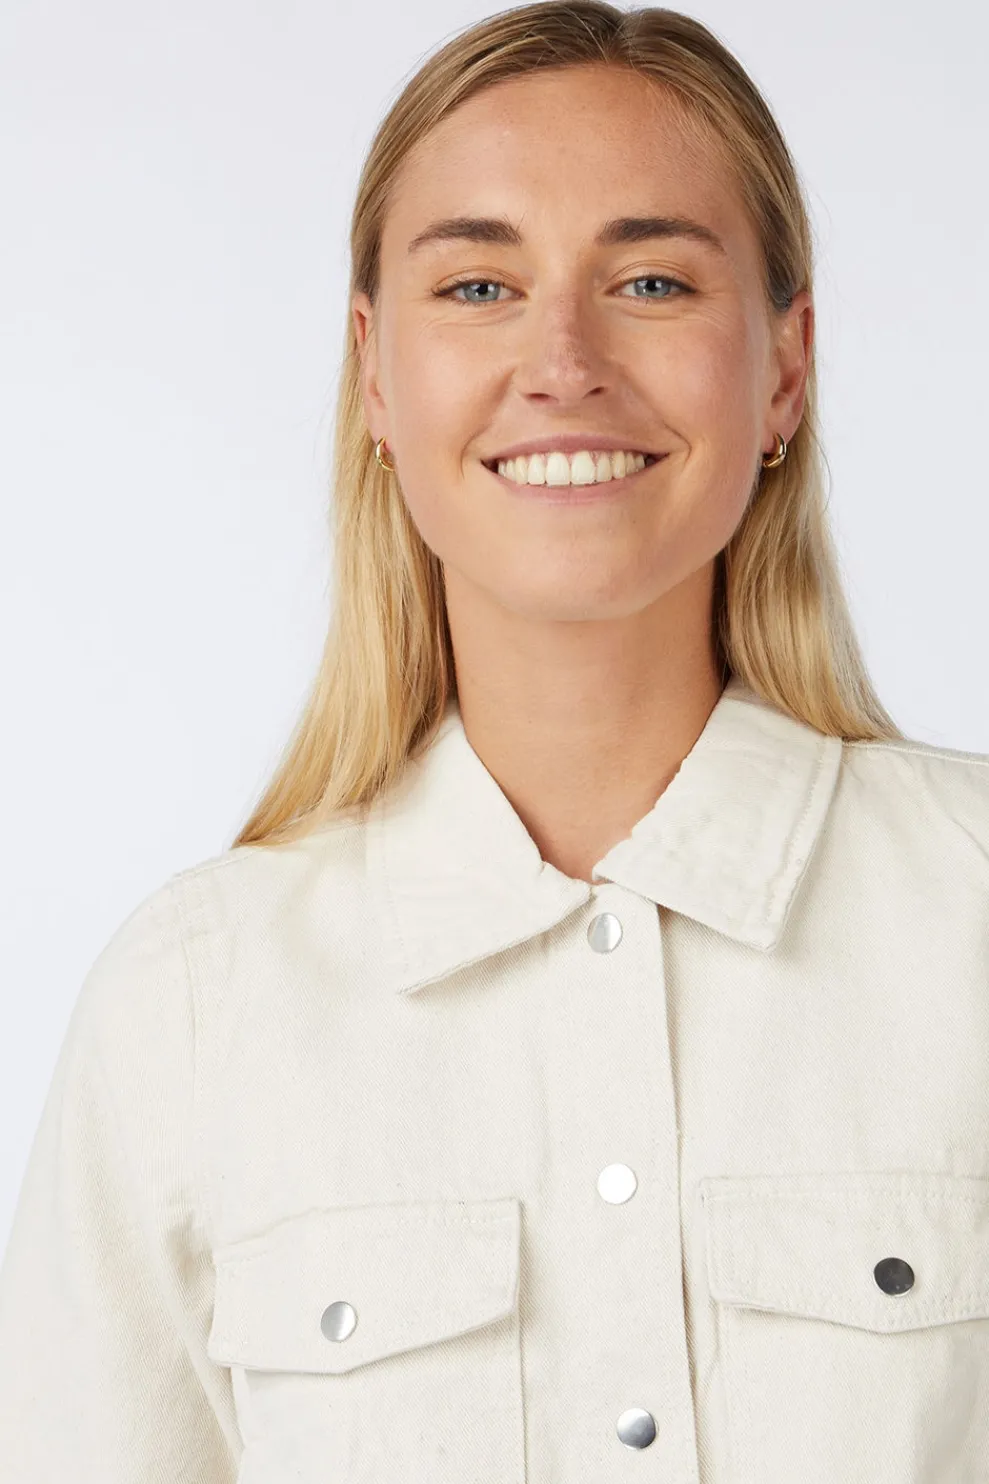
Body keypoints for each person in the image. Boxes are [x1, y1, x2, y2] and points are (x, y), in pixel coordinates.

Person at [2, 3, 987, 1480]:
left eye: (650, 280)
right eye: (478, 285)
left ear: (784, 366)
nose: (563, 361)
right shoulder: (191, 1010)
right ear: (376, 375)